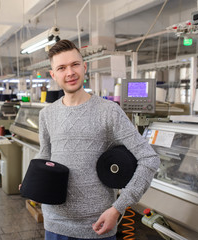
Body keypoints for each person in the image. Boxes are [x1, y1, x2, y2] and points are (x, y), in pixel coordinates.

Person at [36, 39, 160, 239]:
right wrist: (33, 180)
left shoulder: (109, 111)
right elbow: (45, 154)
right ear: (53, 74)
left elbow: (149, 159)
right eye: (61, 68)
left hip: (98, 225)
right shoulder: (46, 114)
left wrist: (118, 208)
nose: (70, 72)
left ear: (84, 67)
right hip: (54, 223)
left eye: (75, 64)